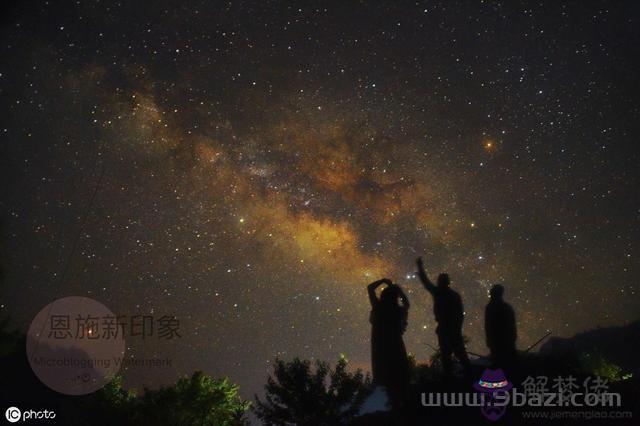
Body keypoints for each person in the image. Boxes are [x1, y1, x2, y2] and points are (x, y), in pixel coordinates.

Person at [415, 257, 470, 377]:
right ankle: (465, 375)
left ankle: (453, 377)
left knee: (451, 354)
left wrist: (420, 268)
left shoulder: (439, 293)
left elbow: (426, 282)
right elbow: (460, 315)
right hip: (450, 329)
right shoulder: (451, 295)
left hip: (448, 329)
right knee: (455, 353)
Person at [368, 278, 410, 409]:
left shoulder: (378, 307)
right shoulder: (398, 311)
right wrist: (399, 291)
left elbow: (370, 288)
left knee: (385, 378)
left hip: (381, 348)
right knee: (399, 376)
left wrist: (383, 281)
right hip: (396, 346)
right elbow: (407, 304)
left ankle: (393, 406)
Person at [485, 284, 517, 367]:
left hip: (498, 342)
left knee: (499, 365)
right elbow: (512, 326)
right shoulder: (506, 307)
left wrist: (489, 340)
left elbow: (488, 326)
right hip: (505, 342)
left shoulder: (490, 308)